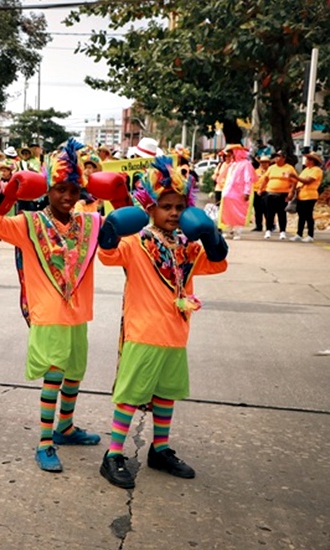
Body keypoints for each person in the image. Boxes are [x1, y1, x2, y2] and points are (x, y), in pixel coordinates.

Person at [0, 138, 118, 472]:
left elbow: (122, 232)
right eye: (60, 189)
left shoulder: (88, 223)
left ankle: (66, 427)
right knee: (54, 376)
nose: (67, 197)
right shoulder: (30, 224)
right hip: (48, 314)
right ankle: (45, 441)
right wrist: (9, 193)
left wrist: (120, 196)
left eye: (73, 190)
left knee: (74, 373)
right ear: (47, 189)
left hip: (78, 313)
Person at [97, 156, 228, 490]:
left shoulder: (187, 246)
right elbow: (108, 255)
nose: (173, 212)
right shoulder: (137, 242)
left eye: (179, 206)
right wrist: (111, 229)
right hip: (143, 333)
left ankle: (160, 449)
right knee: (130, 396)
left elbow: (217, 265)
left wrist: (212, 235)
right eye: (165, 206)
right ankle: (113, 454)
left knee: (167, 394)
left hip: (176, 334)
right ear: (149, 209)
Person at [217, 144, 255, 240]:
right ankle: (229, 229)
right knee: (228, 211)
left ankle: (237, 231)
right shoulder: (233, 164)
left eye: (231, 153)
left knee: (238, 212)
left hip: (239, 192)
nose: (230, 155)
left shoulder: (246, 164)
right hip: (228, 192)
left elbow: (248, 179)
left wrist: (247, 192)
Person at [259, 151, 296, 240]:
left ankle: (282, 231)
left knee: (281, 213)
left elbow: (294, 182)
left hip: (283, 194)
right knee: (269, 213)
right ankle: (268, 230)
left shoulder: (289, 168)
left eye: (278, 157)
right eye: (275, 157)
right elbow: (265, 179)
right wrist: (261, 189)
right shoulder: (271, 168)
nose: (276, 158)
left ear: (284, 158)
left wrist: (291, 192)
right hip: (270, 193)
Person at [287, 151, 323, 243]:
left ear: (313, 161)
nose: (306, 161)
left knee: (308, 215)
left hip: (310, 196)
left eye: (308, 159)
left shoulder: (316, 170)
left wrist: (295, 176)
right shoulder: (306, 170)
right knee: (301, 216)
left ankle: (310, 235)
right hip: (301, 195)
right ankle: (299, 234)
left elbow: (307, 181)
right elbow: (298, 181)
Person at [251, 155, 272, 232]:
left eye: (265, 162)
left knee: (267, 210)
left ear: (268, 163)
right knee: (257, 210)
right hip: (256, 191)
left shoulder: (270, 171)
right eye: (262, 162)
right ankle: (258, 225)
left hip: (266, 191)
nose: (263, 164)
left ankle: (270, 225)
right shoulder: (256, 171)